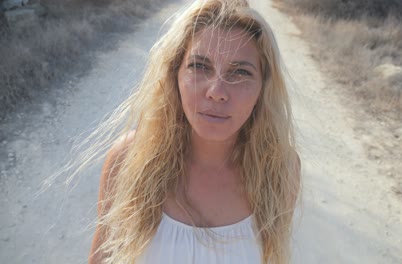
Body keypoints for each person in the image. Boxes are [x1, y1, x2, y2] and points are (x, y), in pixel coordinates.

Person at [87, 0, 301, 263]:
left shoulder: (281, 168)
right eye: (200, 66)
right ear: (174, 74)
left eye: (240, 72)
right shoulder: (128, 159)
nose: (217, 92)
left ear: (263, 89)